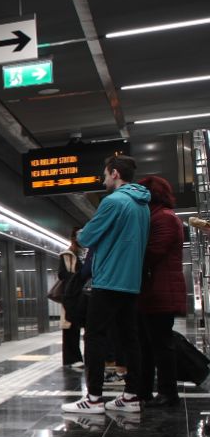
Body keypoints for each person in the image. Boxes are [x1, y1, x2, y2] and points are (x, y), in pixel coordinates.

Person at [63, 155, 150, 414]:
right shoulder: (143, 205)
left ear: (114, 173)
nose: (103, 180)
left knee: (94, 337)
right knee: (130, 338)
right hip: (131, 281)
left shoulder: (113, 201)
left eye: (104, 175)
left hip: (109, 279)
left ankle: (93, 399)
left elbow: (87, 237)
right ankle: (131, 396)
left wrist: (82, 234)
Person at [135, 176, 186, 407]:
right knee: (148, 344)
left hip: (161, 291)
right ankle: (145, 391)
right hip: (154, 290)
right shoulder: (157, 216)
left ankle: (168, 393)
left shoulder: (164, 218)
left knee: (161, 345)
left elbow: (152, 253)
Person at [57, 228, 85, 368]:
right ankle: (71, 359)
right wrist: (78, 278)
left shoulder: (85, 253)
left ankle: (82, 357)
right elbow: (62, 274)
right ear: (73, 238)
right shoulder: (67, 255)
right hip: (72, 295)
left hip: (84, 295)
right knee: (70, 326)